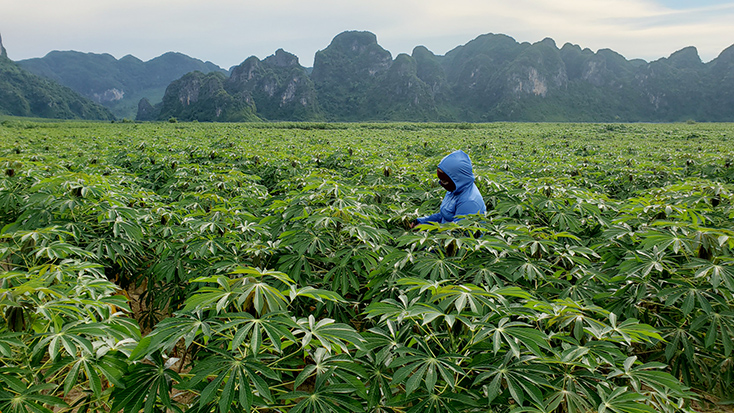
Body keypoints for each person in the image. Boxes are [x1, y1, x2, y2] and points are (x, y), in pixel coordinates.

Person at [413, 150, 486, 226]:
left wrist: (428, 230)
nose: (441, 183)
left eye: (444, 181)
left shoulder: (470, 202)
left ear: (457, 179)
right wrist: (421, 221)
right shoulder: (454, 190)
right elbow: (443, 216)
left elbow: (457, 232)